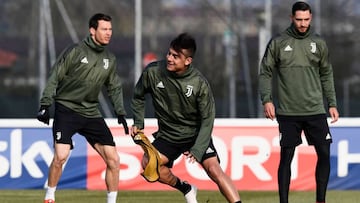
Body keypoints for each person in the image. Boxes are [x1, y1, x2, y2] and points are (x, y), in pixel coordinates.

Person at [131, 33, 242, 203]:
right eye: (169, 53)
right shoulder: (153, 72)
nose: (170, 58)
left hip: (195, 134)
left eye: (176, 56)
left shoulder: (199, 83)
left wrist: (198, 149)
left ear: (188, 61)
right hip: (168, 135)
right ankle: (186, 188)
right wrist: (138, 123)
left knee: (214, 170)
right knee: (148, 164)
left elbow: (208, 119)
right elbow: (138, 96)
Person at [36, 13, 128, 203]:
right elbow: (55, 76)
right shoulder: (76, 51)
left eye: (110, 29)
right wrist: (45, 104)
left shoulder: (110, 58)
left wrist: (120, 111)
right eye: (104, 29)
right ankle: (50, 196)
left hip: (91, 113)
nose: (108, 33)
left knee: (114, 160)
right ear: (92, 31)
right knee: (61, 156)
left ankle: (111, 201)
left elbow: (114, 87)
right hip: (67, 109)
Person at [258, 2, 339, 203]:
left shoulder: (319, 43)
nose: (303, 24)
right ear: (291, 18)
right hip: (288, 112)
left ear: (311, 18)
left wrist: (332, 103)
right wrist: (266, 100)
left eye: (306, 19)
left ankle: (321, 200)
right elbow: (265, 72)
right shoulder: (278, 42)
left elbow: (326, 73)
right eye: (299, 19)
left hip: (315, 110)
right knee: (286, 157)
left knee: (324, 153)